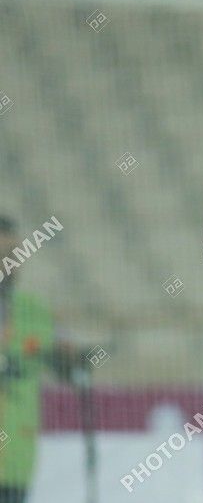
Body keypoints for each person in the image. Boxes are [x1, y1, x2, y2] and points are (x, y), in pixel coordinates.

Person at [0, 215, 80, 503]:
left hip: (16, 461)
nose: (8, 262)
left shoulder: (35, 311)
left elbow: (70, 370)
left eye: (13, 252)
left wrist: (76, 359)